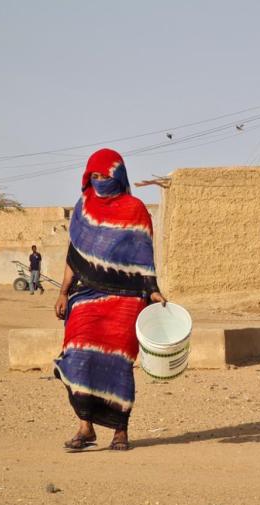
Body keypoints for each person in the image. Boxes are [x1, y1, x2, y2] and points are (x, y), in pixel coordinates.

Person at [53, 148, 167, 451]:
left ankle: (120, 430)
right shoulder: (83, 209)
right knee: (76, 356)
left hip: (126, 299)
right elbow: (74, 255)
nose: (100, 181)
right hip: (86, 295)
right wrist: (63, 292)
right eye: (95, 176)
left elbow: (144, 257)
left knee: (118, 364)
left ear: (118, 176)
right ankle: (85, 427)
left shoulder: (135, 209)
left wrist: (152, 290)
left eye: (105, 176)